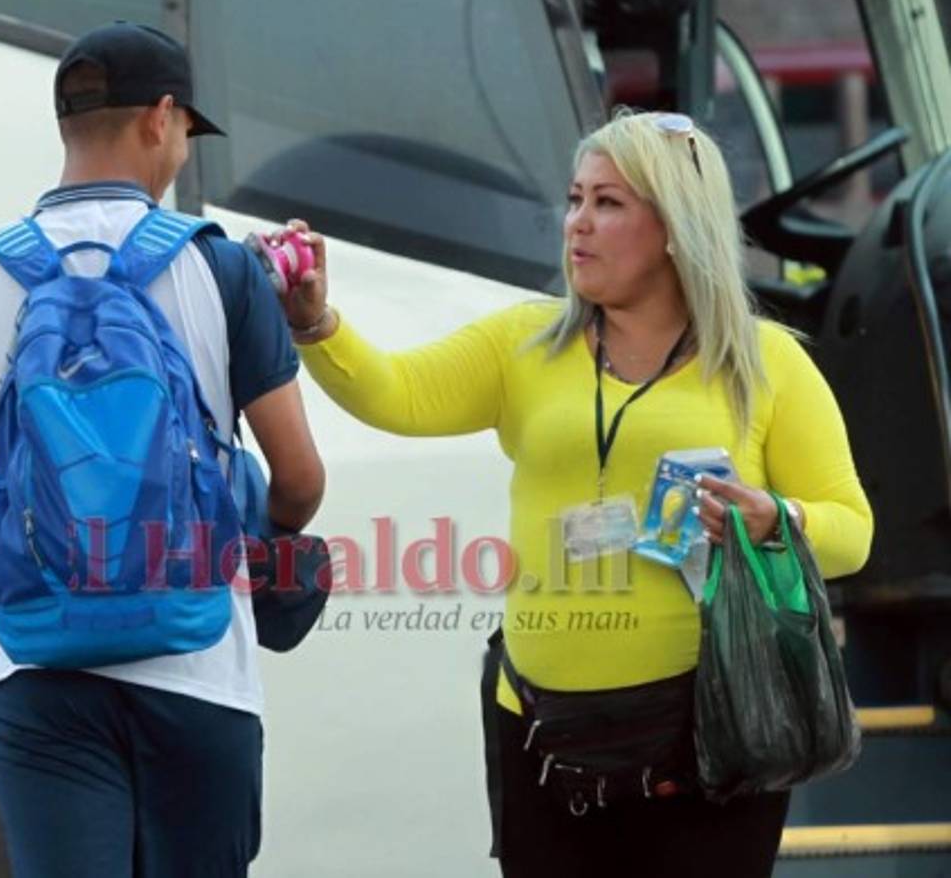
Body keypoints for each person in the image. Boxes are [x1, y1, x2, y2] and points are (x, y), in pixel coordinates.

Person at [277, 111, 872, 877]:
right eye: (574, 199)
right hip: (541, 735)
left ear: (672, 228)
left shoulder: (765, 363)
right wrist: (316, 322)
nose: (576, 224)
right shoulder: (524, 344)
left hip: (712, 740)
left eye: (607, 204)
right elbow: (397, 394)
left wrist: (774, 519)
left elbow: (851, 531)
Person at [0, 22, 324, 878]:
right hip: (197, 664)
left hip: (37, 665)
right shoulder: (222, 271)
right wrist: (252, 544)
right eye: (183, 131)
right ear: (161, 117)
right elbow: (301, 479)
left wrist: (30, 578)